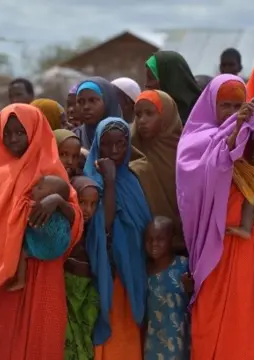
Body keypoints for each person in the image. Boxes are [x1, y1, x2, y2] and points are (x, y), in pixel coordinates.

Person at [177, 74, 254, 360]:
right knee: (211, 319)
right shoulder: (194, 142)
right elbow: (199, 179)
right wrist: (234, 130)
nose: (231, 111)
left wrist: (242, 130)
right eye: (225, 105)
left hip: (251, 241)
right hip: (216, 241)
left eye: (238, 104)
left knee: (248, 314)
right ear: (211, 105)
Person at [0, 103, 83, 360]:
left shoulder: (51, 170)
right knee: (0, 342)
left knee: (42, 341)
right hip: (3, 279)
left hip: (43, 273)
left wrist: (58, 202)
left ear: (35, 131)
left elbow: (76, 223)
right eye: (7, 133)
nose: (12, 139)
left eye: (20, 132)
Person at [83, 117, 152, 360]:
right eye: (107, 145)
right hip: (106, 272)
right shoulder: (90, 180)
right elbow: (104, 225)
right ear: (96, 146)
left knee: (129, 334)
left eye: (121, 144)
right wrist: (109, 181)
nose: (114, 151)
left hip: (132, 272)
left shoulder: (133, 179)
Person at [130, 90, 185, 255]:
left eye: (149, 114)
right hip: (146, 247)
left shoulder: (186, 152)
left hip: (186, 245)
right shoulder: (132, 153)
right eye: (138, 115)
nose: (142, 121)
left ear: (166, 115)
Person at [7, 175, 73, 291]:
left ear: (49, 195)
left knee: (23, 251)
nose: (33, 189)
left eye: (39, 188)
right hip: (61, 247)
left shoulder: (35, 206)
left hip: (42, 246)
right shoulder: (61, 211)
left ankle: (21, 280)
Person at [143, 216, 191, 360]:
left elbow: (198, 302)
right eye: (149, 239)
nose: (154, 244)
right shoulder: (144, 272)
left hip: (181, 342)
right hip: (153, 344)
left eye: (160, 239)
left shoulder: (183, 266)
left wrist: (190, 289)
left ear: (172, 239)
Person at [65, 176, 101, 360]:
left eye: (93, 204)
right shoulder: (66, 231)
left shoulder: (95, 235)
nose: (88, 210)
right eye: (83, 202)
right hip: (66, 302)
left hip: (86, 302)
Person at [144, 51, 201, 123]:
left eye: (150, 78)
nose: (146, 84)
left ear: (169, 79)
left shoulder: (202, 116)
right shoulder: (150, 116)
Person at [74, 76, 122, 149]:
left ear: (107, 101)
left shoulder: (127, 137)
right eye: (81, 101)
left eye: (92, 100)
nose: (86, 107)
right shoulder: (74, 138)